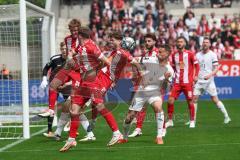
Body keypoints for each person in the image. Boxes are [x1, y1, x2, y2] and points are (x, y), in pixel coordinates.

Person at [118, 44, 174, 145]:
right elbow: (134, 60)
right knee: (129, 118)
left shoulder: (169, 70)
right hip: (141, 91)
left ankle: (159, 137)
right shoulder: (151, 59)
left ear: (168, 53)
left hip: (155, 92)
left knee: (158, 108)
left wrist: (166, 79)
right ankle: (125, 137)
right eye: (158, 51)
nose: (158, 54)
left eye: (161, 52)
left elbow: (165, 88)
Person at [193, 37, 231, 125]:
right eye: (204, 42)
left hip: (209, 81)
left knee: (215, 99)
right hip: (199, 81)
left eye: (207, 42)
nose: (205, 44)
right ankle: (192, 120)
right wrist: (194, 76)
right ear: (202, 44)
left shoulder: (212, 54)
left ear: (209, 44)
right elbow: (195, 67)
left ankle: (227, 117)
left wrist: (210, 75)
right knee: (194, 99)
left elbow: (216, 68)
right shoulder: (198, 55)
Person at [165, 36, 200, 128]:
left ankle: (192, 121)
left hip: (187, 83)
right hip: (177, 83)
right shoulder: (173, 55)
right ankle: (170, 121)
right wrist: (169, 73)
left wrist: (196, 76)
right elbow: (173, 68)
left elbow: (197, 66)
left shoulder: (190, 54)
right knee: (170, 101)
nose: (179, 43)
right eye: (178, 41)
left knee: (190, 102)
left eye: (181, 42)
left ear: (184, 43)